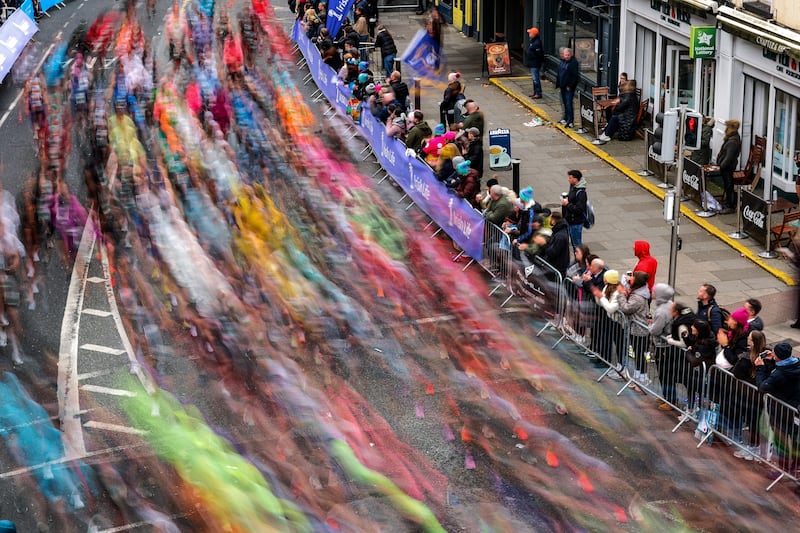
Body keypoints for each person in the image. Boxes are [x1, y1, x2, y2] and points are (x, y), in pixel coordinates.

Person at [755, 342, 800, 477]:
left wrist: (760, 369)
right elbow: (784, 369)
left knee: (781, 442)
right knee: (795, 439)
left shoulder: (778, 375)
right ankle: (796, 465)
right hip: (795, 410)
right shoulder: (797, 364)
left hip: (781, 412)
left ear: (778, 357)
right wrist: (774, 361)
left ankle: (783, 468)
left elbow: (762, 387)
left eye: (774, 353)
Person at [731, 329, 766, 460]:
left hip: (748, 396)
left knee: (752, 422)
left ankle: (753, 448)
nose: (747, 339)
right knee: (754, 422)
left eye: (749, 338)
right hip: (757, 396)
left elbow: (736, 373)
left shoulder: (747, 358)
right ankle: (754, 447)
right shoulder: (765, 356)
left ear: (753, 342)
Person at [617, 271, 651, 384]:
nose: (630, 278)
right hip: (637, 327)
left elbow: (626, 308)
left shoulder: (637, 297)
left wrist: (621, 294)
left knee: (639, 352)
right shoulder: (641, 291)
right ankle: (639, 375)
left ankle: (641, 377)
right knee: (638, 352)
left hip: (638, 329)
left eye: (632, 277)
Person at [649, 283, 676, 409]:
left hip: (662, 346)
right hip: (667, 345)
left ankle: (669, 400)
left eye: (654, 291)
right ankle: (666, 396)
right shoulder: (670, 304)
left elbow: (655, 330)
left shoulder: (661, 311)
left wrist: (650, 326)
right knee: (666, 373)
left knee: (664, 373)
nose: (652, 293)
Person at [592, 80, 639, 144]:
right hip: (628, 116)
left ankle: (607, 134)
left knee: (615, 117)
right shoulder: (630, 95)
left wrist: (616, 104)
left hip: (629, 120)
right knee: (612, 113)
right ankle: (606, 132)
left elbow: (618, 108)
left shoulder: (627, 97)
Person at [716, 118, 742, 214]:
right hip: (728, 166)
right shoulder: (733, 138)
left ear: (731, 128)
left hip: (728, 167)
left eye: (727, 126)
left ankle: (730, 205)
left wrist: (722, 166)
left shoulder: (732, 141)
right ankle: (730, 203)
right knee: (728, 184)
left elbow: (729, 156)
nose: (725, 129)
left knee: (729, 185)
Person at [535, 211, 570, 279]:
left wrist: (543, 244)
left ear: (554, 221)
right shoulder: (558, 231)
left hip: (557, 267)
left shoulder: (560, 236)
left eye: (550, 218)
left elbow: (552, 252)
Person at [561, 170, 587, 249]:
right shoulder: (573, 187)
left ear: (575, 179)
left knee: (577, 244)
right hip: (570, 220)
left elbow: (579, 209)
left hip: (575, 222)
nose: (568, 179)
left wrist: (567, 204)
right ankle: (577, 258)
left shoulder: (581, 192)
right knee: (574, 242)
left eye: (570, 178)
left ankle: (580, 259)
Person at [556, 47, 579, 128]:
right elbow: (560, 73)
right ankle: (565, 118)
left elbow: (575, 76)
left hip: (568, 87)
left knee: (569, 103)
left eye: (568, 55)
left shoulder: (573, 63)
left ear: (571, 55)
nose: (566, 56)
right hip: (562, 86)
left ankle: (570, 121)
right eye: (565, 55)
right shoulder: (562, 61)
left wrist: (570, 85)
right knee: (564, 103)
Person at [525, 27, 544, 99]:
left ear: (533, 34)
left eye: (530, 33)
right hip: (533, 63)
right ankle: (535, 92)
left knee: (535, 78)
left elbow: (539, 54)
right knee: (534, 78)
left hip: (535, 63)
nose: (529, 34)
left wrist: (533, 58)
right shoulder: (533, 41)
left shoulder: (536, 43)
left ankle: (538, 93)